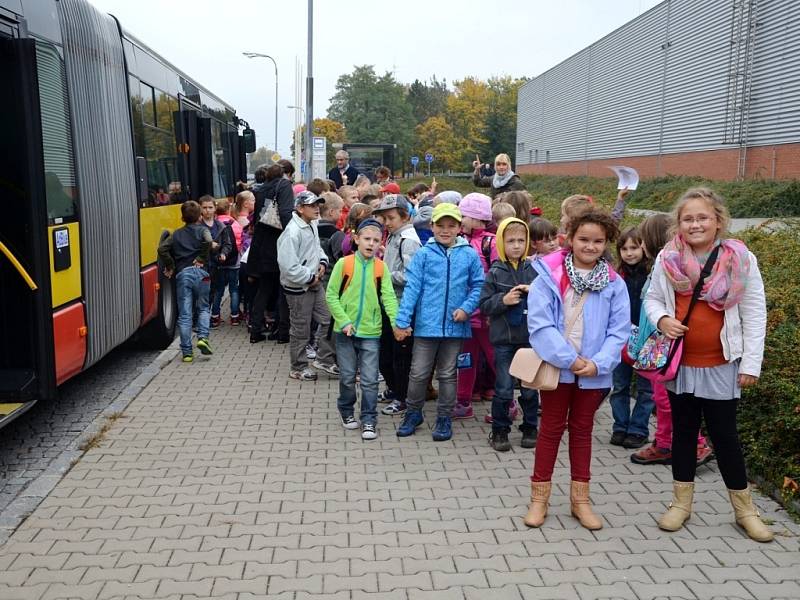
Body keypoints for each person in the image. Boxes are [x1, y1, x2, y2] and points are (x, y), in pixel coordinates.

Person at [645, 188, 771, 542]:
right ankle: (681, 505)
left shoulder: (741, 259)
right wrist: (663, 319)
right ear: (679, 224)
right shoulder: (668, 257)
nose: (696, 224)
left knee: (725, 436)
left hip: (722, 364)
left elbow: (755, 313)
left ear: (718, 220)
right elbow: (653, 299)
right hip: (681, 364)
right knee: (684, 434)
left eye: (703, 217)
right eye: (688, 218)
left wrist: (751, 364)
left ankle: (745, 510)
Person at [524, 209, 629, 530]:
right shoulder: (548, 276)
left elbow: (620, 330)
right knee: (551, 430)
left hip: (594, 373)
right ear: (569, 238)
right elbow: (540, 325)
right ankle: (539, 499)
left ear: (607, 242)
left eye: (598, 241)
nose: (590, 246)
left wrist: (598, 363)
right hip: (559, 370)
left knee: (582, 432)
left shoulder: (615, 283)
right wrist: (570, 360)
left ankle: (580, 501)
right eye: (583, 239)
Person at [394, 203, 485, 442]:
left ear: (459, 228)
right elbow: (412, 288)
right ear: (432, 226)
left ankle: (444, 417)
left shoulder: (469, 254)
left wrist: (466, 308)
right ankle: (413, 413)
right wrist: (402, 320)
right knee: (418, 373)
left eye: (451, 225)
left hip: (456, 327)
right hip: (426, 326)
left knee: (447, 374)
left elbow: (478, 285)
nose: (445, 230)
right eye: (440, 225)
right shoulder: (424, 254)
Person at [630, 214, 713, 467]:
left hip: (667, 346)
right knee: (662, 399)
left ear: (651, 241)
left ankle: (696, 444)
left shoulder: (668, 267)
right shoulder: (658, 266)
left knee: (669, 401)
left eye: (642, 241)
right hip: (655, 345)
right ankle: (665, 443)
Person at [326, 218, 400, 440]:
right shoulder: (344, 264)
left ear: (381, 244)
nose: (371, 243)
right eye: (367, 239)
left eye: (376, 240)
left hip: (371, 332)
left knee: (369, 380)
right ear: (356, 239)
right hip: (345, 332)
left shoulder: (381, 267)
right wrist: (344, 321)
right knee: (348, 377)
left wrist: (397, 323)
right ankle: (346, 410)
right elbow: (331, 295)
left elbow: (388, 297)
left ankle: (369, 419)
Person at [479, 217, 540, 451]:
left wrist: (533, 292)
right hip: (503, 340)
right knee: (503, 388)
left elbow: (548, 300)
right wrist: (502, 300)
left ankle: (530, 428)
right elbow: (484, 305)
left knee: (529, 389)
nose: (516, 245)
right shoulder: (495, 272)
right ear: (502, 243)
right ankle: (500, 430)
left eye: (521, 240)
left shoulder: (533, 269)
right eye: (511, 240)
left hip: (528, 340)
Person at [277, 191, 339, 381]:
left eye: (317, 205)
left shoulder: (311, 224)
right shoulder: (292, 232)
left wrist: (322, 262)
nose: (316, 208)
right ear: (300, 208)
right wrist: (309, 277)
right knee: (301, 329)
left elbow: (316, 248)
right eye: (312, 205)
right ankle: (298, 367)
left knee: (330, 319)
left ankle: (324, 359)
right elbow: (288, 266)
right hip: (298, 289)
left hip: (314, 282)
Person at [371, 195, 422, 416]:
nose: (387, 222)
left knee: (400, 356)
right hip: (388, 303)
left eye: (391, 217)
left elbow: (413, 276)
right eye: (384, 218)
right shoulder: (394, 236)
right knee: (386, 354)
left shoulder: (408, 240)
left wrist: (384, 275)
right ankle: (393, 388)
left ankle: (403, 397)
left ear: (404, 216)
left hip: (402, 307)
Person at [452, 193, 499, 420]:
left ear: (476, 217)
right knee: (465, 360)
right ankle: (462, 401)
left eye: (464, 216)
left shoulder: (491, 242)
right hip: (466, 315)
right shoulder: (459, 240)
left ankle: (507, 403)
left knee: (496, 360)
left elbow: (498, 277)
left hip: (486, 316)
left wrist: (493, 309)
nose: (461, 220)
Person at [607, 227, 654, 448]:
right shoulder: (616, 275)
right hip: (622, 337)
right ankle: (620, 426)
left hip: (648, 338)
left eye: (634, 247)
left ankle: (638, 429)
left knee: (646, 388)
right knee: (620, 385)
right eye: (624, 248)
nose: (629, 253)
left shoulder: (652, 274)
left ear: (644, 247)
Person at [157, 200, 213, 363]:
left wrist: (170, 265)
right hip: (202, 274)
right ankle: (203, 337)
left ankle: (187, 352)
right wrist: (202, 257)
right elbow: (209, 241)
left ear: (182, 217)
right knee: (203, 308)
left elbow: (162, 249)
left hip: (183, 275)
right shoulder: (203, 230)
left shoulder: (176, 234)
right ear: (200, 216)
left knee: (185, 314)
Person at [248, 164, 294, 344]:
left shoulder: (261, 189)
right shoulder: (283, 186)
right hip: (279, 242)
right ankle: (282, 333)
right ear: (284, 174)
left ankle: (255, 331)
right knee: (283, 289)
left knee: (264, 289)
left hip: (262, 244)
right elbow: (285, 213)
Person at [210, 198, 242, 326]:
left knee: (218, 290)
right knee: (234, 290)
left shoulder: (215, 224)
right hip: (234, 263)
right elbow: (239, 242)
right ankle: (234, 316)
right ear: (229, 210)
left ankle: (215, 316)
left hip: (219, 263)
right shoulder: (235, 224)